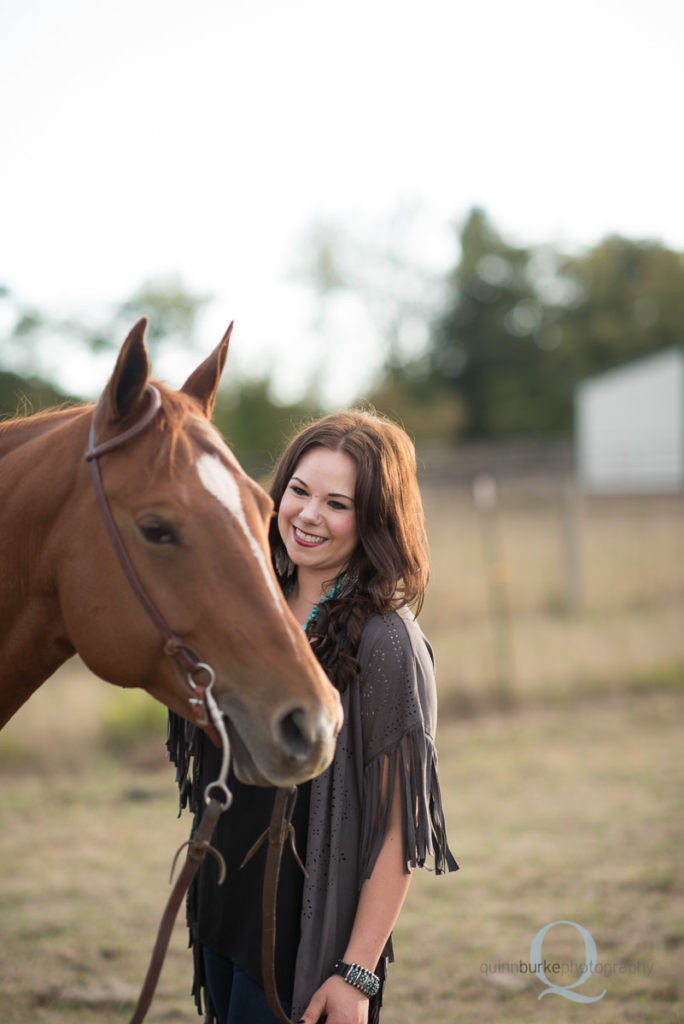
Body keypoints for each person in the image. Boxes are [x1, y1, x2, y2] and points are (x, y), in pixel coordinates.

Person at [167, 409, 457, 1024]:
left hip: (303, 941)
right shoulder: (253, 607)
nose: (307, 515)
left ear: (375, 519)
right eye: (299, 491)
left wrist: (356, 974)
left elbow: (397, 829)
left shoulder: (385, 642)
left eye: (337, 503)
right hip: (223, 913)